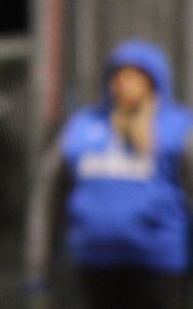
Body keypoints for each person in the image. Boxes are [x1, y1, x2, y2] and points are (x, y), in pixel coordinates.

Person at [24, 38, 193, 309]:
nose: (124, 84)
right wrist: (38, 267)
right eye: (119, 75)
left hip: (158, 268)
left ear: (152, 80)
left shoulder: (177, 127)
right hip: (93, 267)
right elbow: (48, 197)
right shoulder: (83, 127)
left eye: (134, 75)